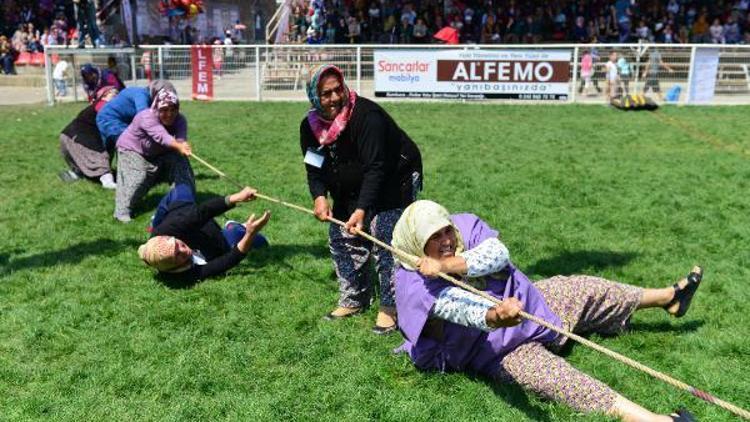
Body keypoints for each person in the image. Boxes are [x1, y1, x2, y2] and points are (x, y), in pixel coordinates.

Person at [391, 200, 703, 422]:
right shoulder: (413, 285)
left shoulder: (462, 227)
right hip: (492, 347)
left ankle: (669, 298)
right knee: (559, 379)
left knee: (587, 288)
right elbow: (462, 310)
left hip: (528, 301)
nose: (446, 239)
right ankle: (652, 420)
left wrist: (446, 264)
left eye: (446, 231)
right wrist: (497, 317)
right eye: (434, 238)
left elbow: (497, 254)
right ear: (417, 244)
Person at [299, 64, 423, 334]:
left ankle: (391, 307)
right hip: (350, 181)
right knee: (340, 235)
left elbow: (376, 167)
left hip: (394, 176)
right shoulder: (310, 127)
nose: (334, 98)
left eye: (337, 90)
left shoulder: (367, 117)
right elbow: (314, 166)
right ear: (313, 97)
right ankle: (354, 299)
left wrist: (363, 210)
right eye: (325, 93)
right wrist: (319, 196)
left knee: (385, 235)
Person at [138, 184, 270, 283]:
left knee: (182, 188)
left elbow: (202, 212)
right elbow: (227, 261)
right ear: (173, 266)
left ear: (173, 237)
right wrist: (250, 234)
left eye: (179, 245)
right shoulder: (183, 275)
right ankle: (233, 226)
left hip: (183, 212)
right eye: (178, 255)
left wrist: (237, 197)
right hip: (218, 241)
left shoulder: (168, 229)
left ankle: (155, 220)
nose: (184, 251)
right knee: (262, 242)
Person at [114, 89, 195, 222]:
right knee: (137, 178)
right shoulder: (146, 117)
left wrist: (182, 146)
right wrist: (179, 146)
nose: (169, 114)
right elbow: (161, 136)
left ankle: (183, 203)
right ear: (156, 108)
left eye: (173, 109)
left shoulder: (180, 119)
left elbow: (180, 139)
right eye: (164, 110)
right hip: (132, 150)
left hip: (160, 151)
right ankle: (121, 212)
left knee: (182, 164)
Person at [59, 86, 119, 189]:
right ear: (104, 96)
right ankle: (107, 181)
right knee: (99, 155)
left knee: (91, 155)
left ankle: (78, 174)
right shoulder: (103, 105)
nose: (116, 97)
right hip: (79, 138)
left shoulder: (98, 105)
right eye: (113, 94)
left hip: (67, 136)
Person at [96, 80, 175, 155]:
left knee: (110, 150)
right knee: (130, 146)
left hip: (111, 119)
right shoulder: (141, 94)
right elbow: (144, 117)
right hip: (110, 119)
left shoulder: (142, 94)